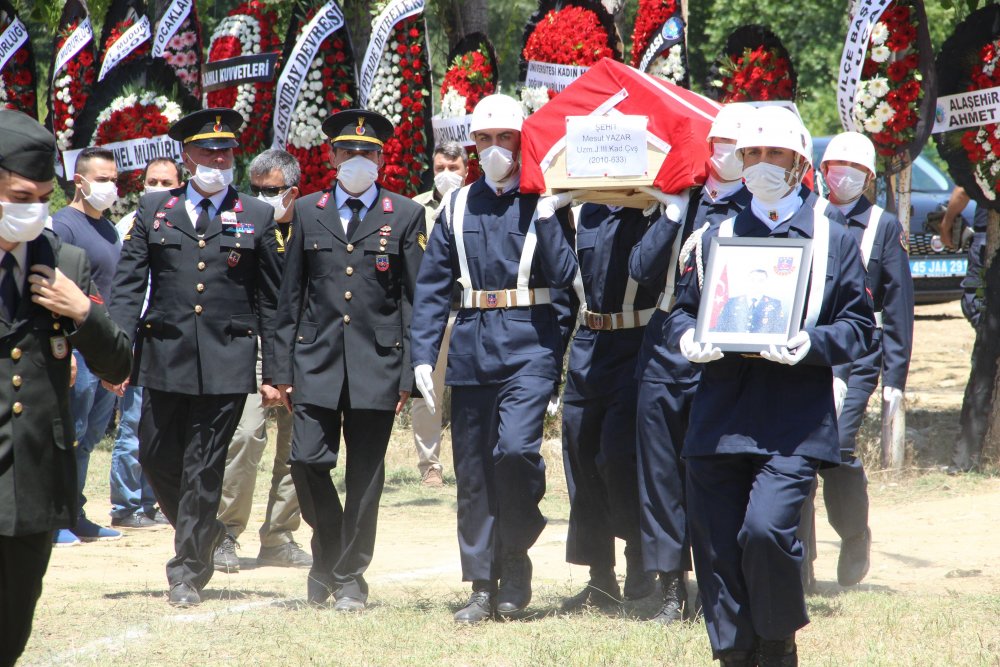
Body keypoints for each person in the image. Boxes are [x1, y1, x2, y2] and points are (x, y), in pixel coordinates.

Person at [668, 106, 875, 666]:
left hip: (792, 421)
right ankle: (735, 654)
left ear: (799, 163)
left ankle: (777, 642)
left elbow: (859, 329)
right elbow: (680, 314)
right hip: (718, 419)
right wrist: (690, 341)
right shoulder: (715, 233)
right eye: (751, 155)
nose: (759, 165)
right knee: (713, 546)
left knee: (765, 533)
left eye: (773, 154)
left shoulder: (831, 237)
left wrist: (812, 345)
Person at [410, 94, 579, 624]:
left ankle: (516, 552)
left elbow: (569, 281)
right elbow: (434, 287)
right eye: (484, 140)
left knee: (513, 452)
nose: (494, 149)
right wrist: (421, 355)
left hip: (531, 343)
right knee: (475, 472)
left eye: (504, 138)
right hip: (472, 346)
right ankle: (483, 584)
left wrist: (550, 215)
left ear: (521, 141)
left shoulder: (545, 202)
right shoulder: (457, 204)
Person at [109, 108, 282, 607]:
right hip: (164, 355)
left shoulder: (257, 214)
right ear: (187, 157)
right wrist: (115, 358)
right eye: (208, 151)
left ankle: (186, 570)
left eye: (226, 151)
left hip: (228, 360)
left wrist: (275, 372)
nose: (219, 159)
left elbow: (271, 301)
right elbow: (126, 290)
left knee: (204, 465)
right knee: (155, 454)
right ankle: (204, 531)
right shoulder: (152, 209)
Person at [267, 109, 424, 611]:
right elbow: (288, 298)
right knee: (306, 461)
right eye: (349, 152)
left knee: (365, 479)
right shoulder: (309, 211)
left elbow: (412, 302)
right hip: (315, 362)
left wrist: (409, 375)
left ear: (382, 159)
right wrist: (279, 370)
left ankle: (350, 577)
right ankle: (330, 549)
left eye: (369, 152)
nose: (359, 159)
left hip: (377, 365)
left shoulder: (404, 214)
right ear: (331, 156)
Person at [0, 109, 132, 667]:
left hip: (32, 483)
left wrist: (84, 314)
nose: (33, 208)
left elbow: (119, 363)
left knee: (11, 628)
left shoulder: (64, 260)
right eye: (20, 194)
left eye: (44, 195)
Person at [628, 102, 752, 625]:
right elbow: (639, 268)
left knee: (717, 476)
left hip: (727, 361)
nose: (726, 154)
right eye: (719, 143)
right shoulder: (685, 199)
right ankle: (672, 591)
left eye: (738, 146)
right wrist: (671, 215)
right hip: (664, 352)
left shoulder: (759, 209)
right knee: (659, 476)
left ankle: (722, 584)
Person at [797, 131, 913, 590]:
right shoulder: (809, 216)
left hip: (860, 354)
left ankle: (853, 533)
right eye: (831, 167)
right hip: (812, 351)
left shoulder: (883, 225)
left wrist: (895, 375)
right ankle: (799, 563)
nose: (838, 176)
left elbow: (899, 302)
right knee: (799, 453)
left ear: (867, 177)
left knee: (838, 450)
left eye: (850, 169)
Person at [558, 203, 661, 612]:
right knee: (580, 457)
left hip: (637, 342)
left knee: (622, 456)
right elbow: (563, 279)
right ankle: (599, 576)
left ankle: (639, 560)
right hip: (589, 344)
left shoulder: (651, 209)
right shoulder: (583, 210)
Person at [214, 148, 311, 572]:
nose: (260, 197)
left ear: (292, 190)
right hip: (255, 346)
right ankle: (223, 534)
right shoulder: (241, 225)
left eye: (270, 190)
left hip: (306, 347)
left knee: (300, 448)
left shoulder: (315, 222)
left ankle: (279, 535)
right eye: (254, 189)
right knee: (246, 437)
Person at [50, 147, 126, 546]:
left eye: (114, 179)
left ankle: (75, 513)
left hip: (102, 351)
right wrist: (64, 347)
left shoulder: (109, 228)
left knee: (91, 436)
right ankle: (54, 516)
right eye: (102, 179)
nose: (110, 187)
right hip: (76, 349)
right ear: (79, 181)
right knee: (69, 434)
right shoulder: (63, 226)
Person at [109, 158, 183, 529]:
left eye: (165, 181)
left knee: (163, 431)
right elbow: (125, 289)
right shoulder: (130, 224)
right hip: (140, 336)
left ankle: (154, 502)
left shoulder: (186, 218)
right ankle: (127, 505)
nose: (157, 187)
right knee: (133, 425)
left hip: (171, 339)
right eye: (151, 181)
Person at [408, 141, 469, 487]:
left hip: (472, 313)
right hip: (433, 316)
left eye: (453, 168)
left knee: (471, 393)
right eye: (440, 168)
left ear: (466, 170)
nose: (446, 175)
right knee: (427, 393)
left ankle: (471, 461)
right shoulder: (417, 209)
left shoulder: (476, 204)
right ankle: (430, 465)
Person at [712, 268, 785, 334]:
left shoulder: (775, 304)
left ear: (766, 283)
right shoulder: (732, 302)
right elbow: (720, 329)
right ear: (747, 281)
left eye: (761, 281)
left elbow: (778, 331)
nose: (756, 284)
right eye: (753, 280)